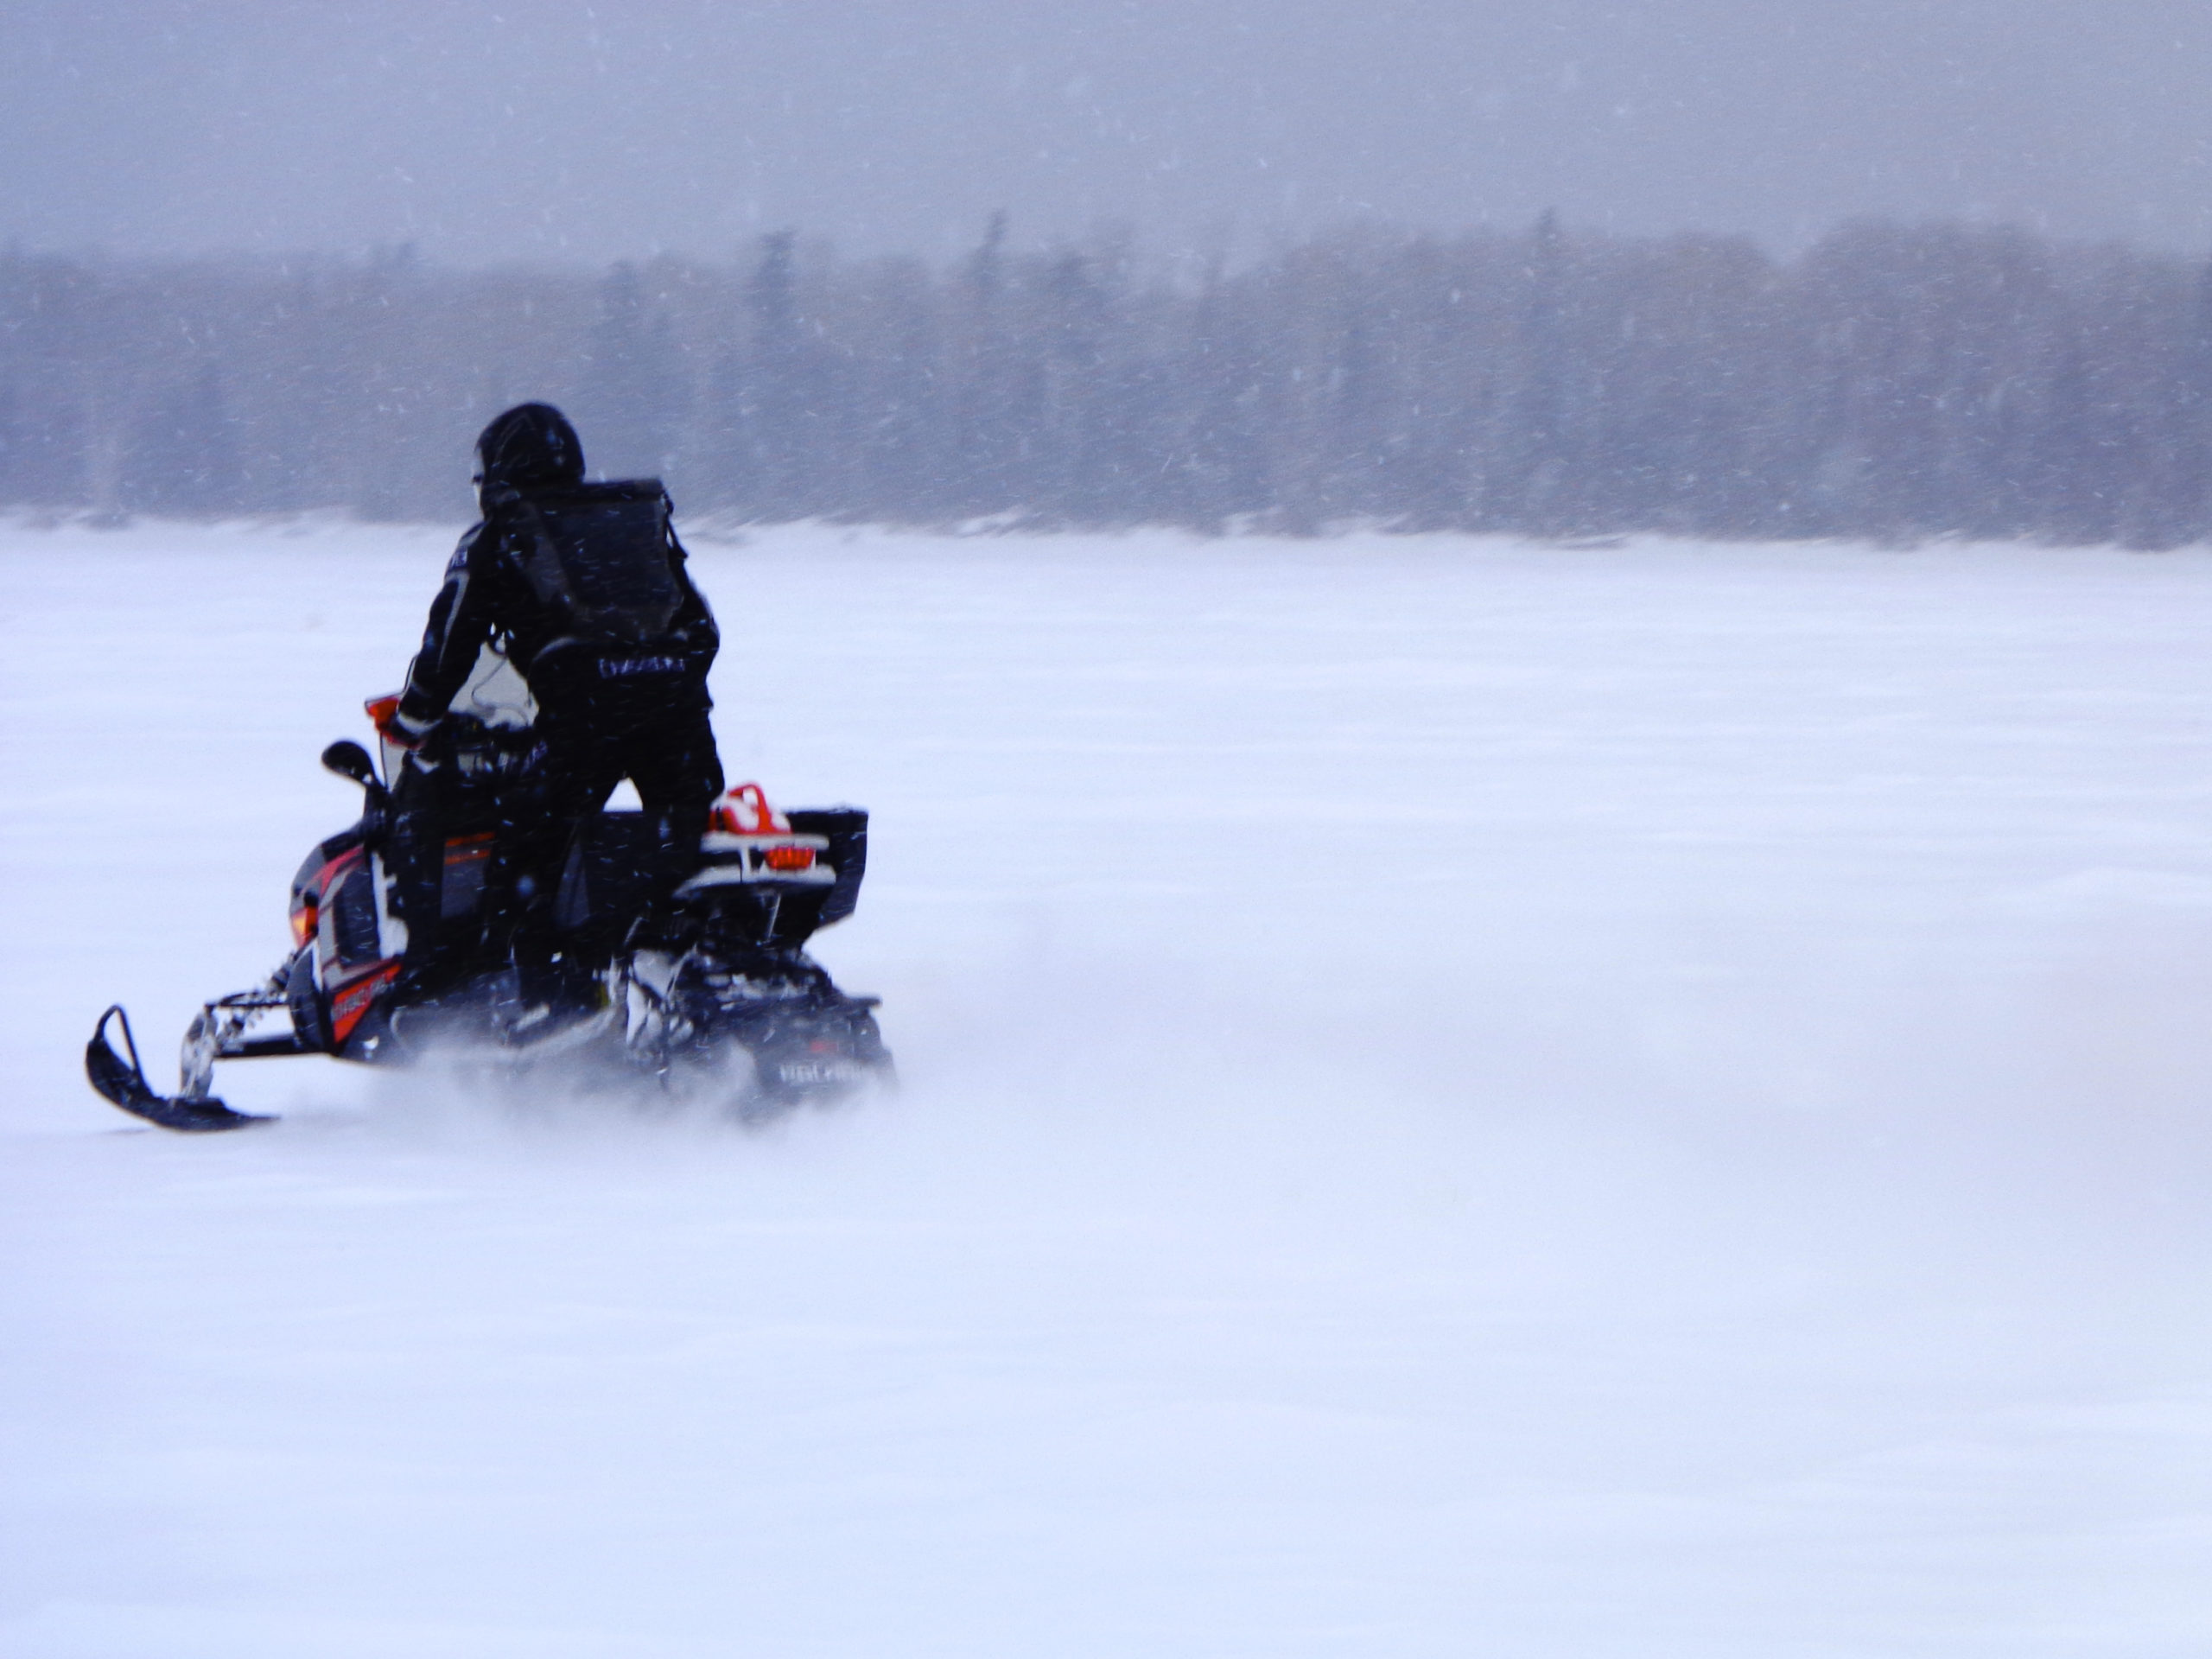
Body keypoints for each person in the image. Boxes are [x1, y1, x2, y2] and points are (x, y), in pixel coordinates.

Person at [381, 403, 723, 1011]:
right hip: (678, 715)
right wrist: (656, 677)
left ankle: (548, 1005)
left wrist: (413, 719)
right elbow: (703, 629)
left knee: (528, 857)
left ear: (499, 474)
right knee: (680, 848)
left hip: (581, 722)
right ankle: (694, 967)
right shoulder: (630, 520)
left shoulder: (499, 536)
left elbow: (451, 641)